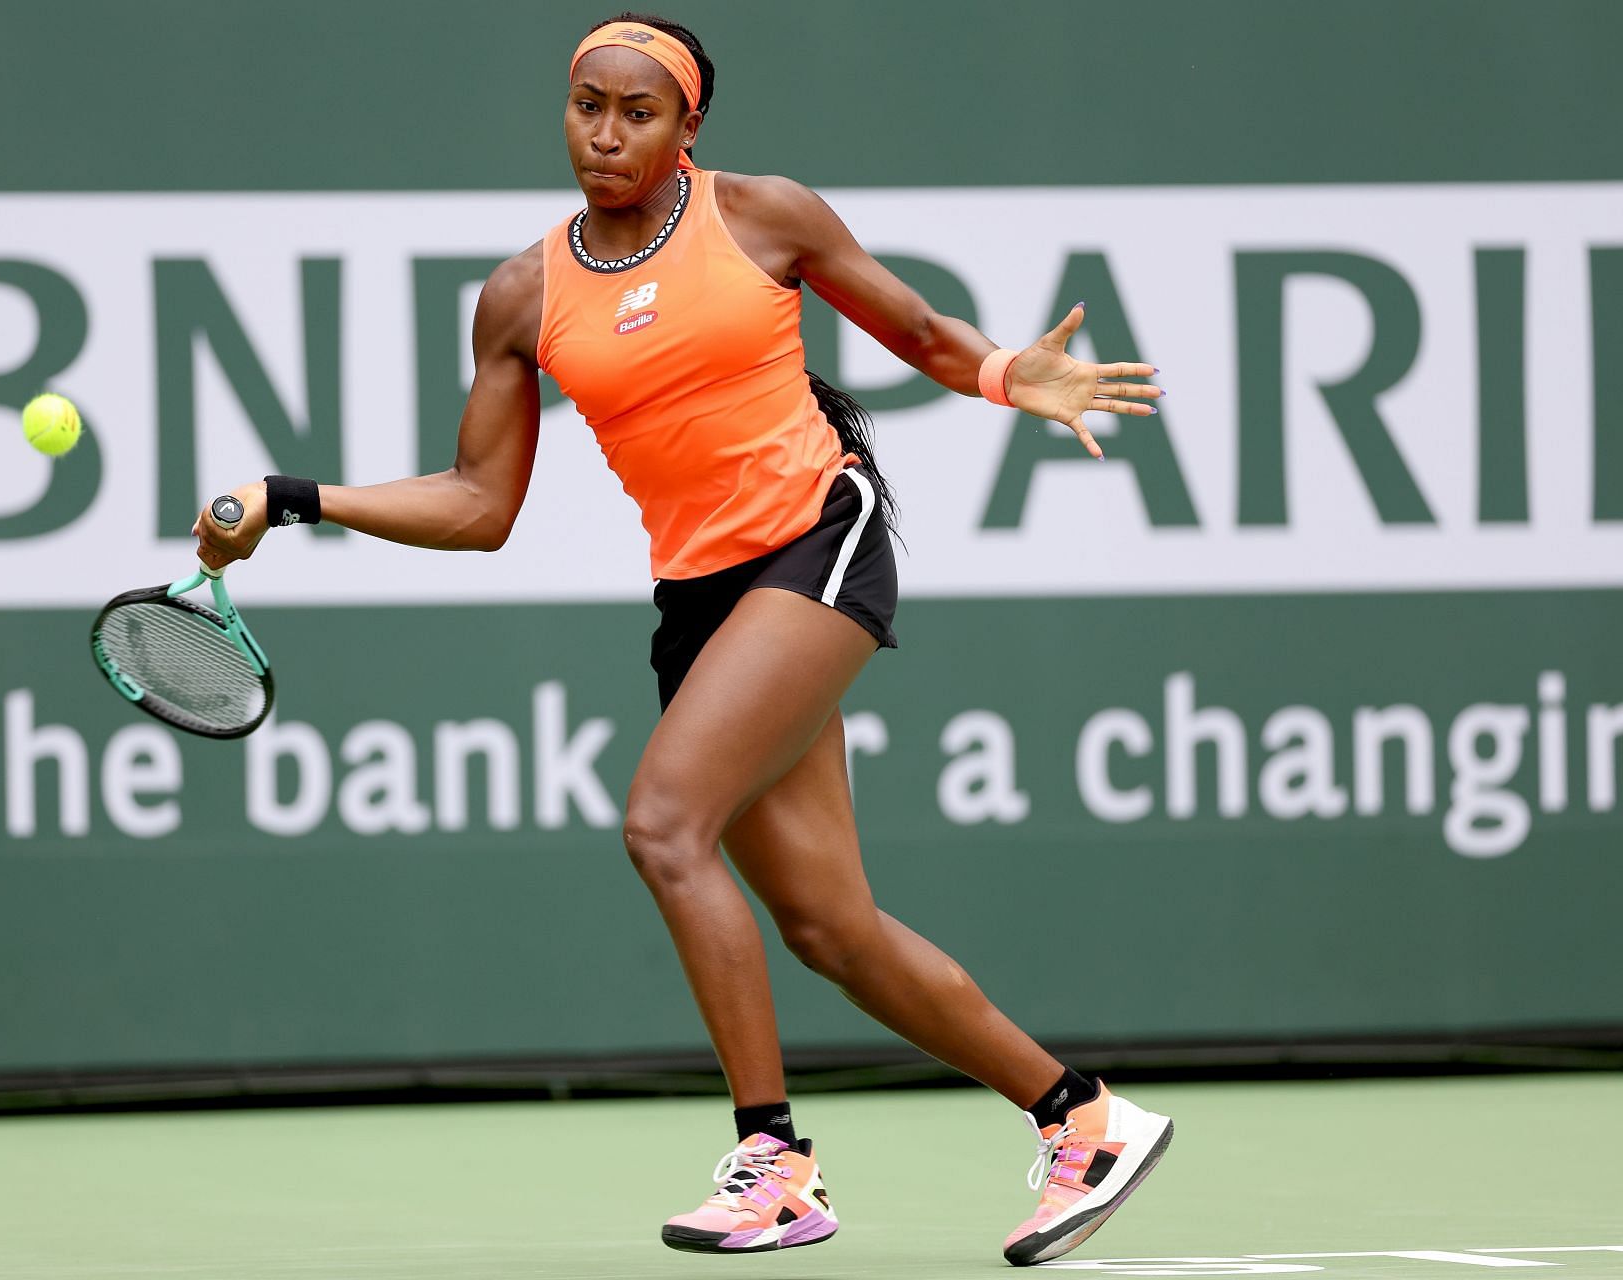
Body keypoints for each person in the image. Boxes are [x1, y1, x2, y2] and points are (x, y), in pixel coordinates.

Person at [194, 13, 1172, 1266]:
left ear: (688, 125)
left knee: (663, 823)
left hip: (818, 536)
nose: (604, 134)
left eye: (637, 112)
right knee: (831, 928)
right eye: (585, 106)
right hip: (701, 597)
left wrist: (1002, 377)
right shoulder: (521, 295)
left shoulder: (762, 214)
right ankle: (1084, 1116)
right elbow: (481, 506)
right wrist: (294, 498)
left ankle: (773, 1158)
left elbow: (921, 334)